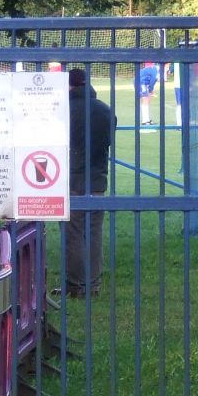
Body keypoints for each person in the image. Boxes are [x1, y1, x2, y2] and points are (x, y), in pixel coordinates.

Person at [65, 67, 116, 296]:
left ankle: (76, 285)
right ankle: (93, 284)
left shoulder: (64, 110)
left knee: (73, 233)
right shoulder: (106, 111)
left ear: (69, 86)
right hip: (97, 181)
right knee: (93, 233)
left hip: (72, 181)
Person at [136, 60, 159, 126]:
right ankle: (145, 121)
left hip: (143, 83)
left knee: (147, 99)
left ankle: (147, 120)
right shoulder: (155, 69)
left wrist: (150, 90)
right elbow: (153, 80)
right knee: (145, 100)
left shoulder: (152, 68)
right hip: (141, 83)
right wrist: (151, 90)